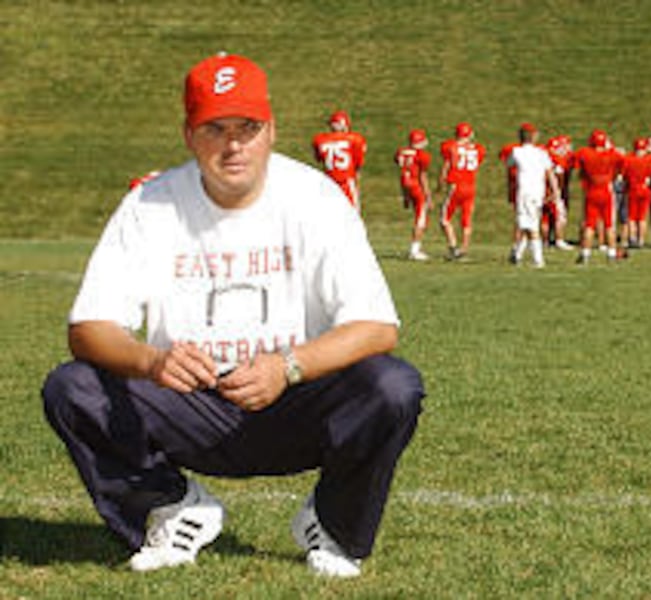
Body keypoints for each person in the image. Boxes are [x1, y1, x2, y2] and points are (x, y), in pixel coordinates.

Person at [41, 52, 424, 579]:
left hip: (293, 396)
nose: (234, 144)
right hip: (190, 400)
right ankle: (172, 509)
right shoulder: (149, 204)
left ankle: (333, 525)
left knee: (393, 386)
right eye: (215, 128)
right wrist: (153, 362)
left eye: (248, 127)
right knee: (73, 388)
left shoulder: (315, 197)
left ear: (272, 131)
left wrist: (288, 365)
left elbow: (377, 325)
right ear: (188, 134)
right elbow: (88, 328)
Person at [506, 123, 561, 267]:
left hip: (525, 191)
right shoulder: (542, 153)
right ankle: (517, 254)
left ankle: (538, 260)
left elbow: (509, 163)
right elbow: (550, 174)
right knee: (526, 223)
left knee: (531, 226)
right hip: (539, 191)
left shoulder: (517, 151)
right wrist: (556, 192)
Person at [573, 129, 624, 264]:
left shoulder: (585, 153)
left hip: (592, 190)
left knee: (589, 224)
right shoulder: (612, 154)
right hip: (606, 190)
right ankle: (611, 253)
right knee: (609, 224)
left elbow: (579, 170)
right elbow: (622, 163)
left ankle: (585, 253)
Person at [438, 122, 486, 260]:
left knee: (444, 219)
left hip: (456, 185)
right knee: (466, 219)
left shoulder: (451, 147)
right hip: (471, 186)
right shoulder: (478, 149)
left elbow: (446, 166)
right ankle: (464, 249)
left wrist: (440, 183)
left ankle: (453, 247)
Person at [312, 110, 367, 211]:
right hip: (346, 182)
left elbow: (318, 158)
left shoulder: (320, 140)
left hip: (329, 183)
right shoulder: (355, 139)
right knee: (353, 218)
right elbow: (358, 167)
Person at [395, 128, 433, 260]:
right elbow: (423, 177)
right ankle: (414, 250)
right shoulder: (421, 155)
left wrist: (405, 196)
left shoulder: (401, 152)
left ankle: (415, 248)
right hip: (416, 187)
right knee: (421, 219)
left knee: (420, 217)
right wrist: (428, 196)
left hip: (406, 184)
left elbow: (402, 173)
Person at [621, 138, 651, 248]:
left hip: (633, 189)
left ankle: (632, 238)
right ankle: (641, 240)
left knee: (632, 217)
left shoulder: (629, 159)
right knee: (642, 217)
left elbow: (624, 175)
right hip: (646, 189)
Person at [543, 135, 574, 250]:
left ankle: (545, 241)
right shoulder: (558, 159)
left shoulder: (544, 156)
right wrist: (558, 191)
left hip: (542, 190)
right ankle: (559, 240)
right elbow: (559, 175)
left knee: (544, 218)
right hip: (553, 190)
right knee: (559, 216)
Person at [498, 135, 523, 261]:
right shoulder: (536, 151)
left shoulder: (512, 151)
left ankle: (518, 248)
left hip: (517, 187)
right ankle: (518, 249)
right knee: (525, 220)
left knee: (522, 219)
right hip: (527, 188)